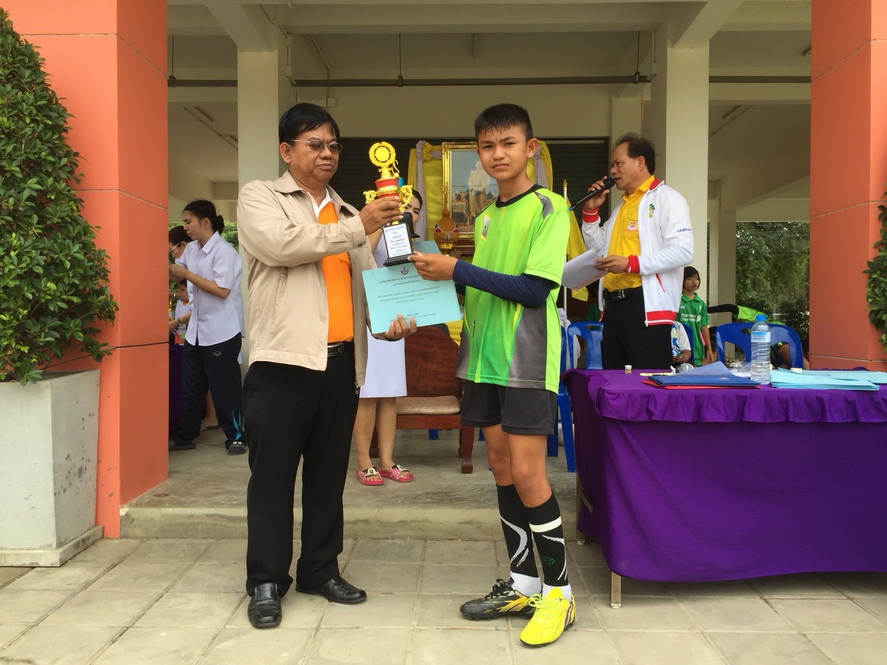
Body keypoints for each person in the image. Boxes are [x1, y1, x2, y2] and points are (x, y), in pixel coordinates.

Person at [236, 102, 416, 630]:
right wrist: (360, 226)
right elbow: (282, 246)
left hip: (340, 365)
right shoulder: (261, 198)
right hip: (283, 363)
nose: (327, 154)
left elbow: (364, 285)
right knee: (272, 478)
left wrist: (386, 324)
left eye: (333, 145)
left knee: (326, 479)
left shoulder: (346, 212)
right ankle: (266, 580)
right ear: (286, 150)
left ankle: (319, 569)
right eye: (315, 144)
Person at [410, 103, 575, 647]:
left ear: (530, 148)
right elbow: (482, 286)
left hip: (524, 359)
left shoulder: (551, 207)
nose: (497, 154)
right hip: (482, 359)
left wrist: (456, 268)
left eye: (508, 143)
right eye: (487, 145)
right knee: (501, 468)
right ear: (478, 154)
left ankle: (560, 597)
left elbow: (533, 289)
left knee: (528, 473)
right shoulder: (484, 218)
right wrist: (417, 299)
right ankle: (524, 585)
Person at [578, 133, 694, 370]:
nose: (613, 171)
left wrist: (630, 264)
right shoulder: (621, 206)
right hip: (614, 306)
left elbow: (683, 251)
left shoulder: (667, 199)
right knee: (615, 381)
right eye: (612, 165)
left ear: (640, 162)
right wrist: (590, 212)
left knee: (647, 381)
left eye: (618, 163)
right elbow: (599, 249)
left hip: (645, 305)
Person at [352, 192, 424, 486]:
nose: (410, 213)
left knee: (389, 394)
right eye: (406, 207)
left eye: (416, 210)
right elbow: (361, 258)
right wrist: (381, 225)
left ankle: (387, 460)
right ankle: (364, 462)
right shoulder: (374, 228)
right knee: (369, 393)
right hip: (370, 315)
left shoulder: (409, 239)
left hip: (396, 317)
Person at [168, 200, 245, 454]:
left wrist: (187, 275)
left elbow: (222, 290)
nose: (185, 227)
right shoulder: (190, 250)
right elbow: (178, 274)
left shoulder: (224, 252)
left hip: (222, 331)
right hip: (196, 332)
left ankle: (236, 436)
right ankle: (186, 434)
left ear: (205, 221)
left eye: (188, 221)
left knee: (225, 388)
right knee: (191, 386)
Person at [677, 265, 715, 365]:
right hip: (680, 346)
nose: (694, 282)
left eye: (696, 278)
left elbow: (704, 327)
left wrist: (709, 348)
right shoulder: (677, 301)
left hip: (697, 347)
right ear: (682, 281)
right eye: (689, 279)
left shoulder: (701, 304)